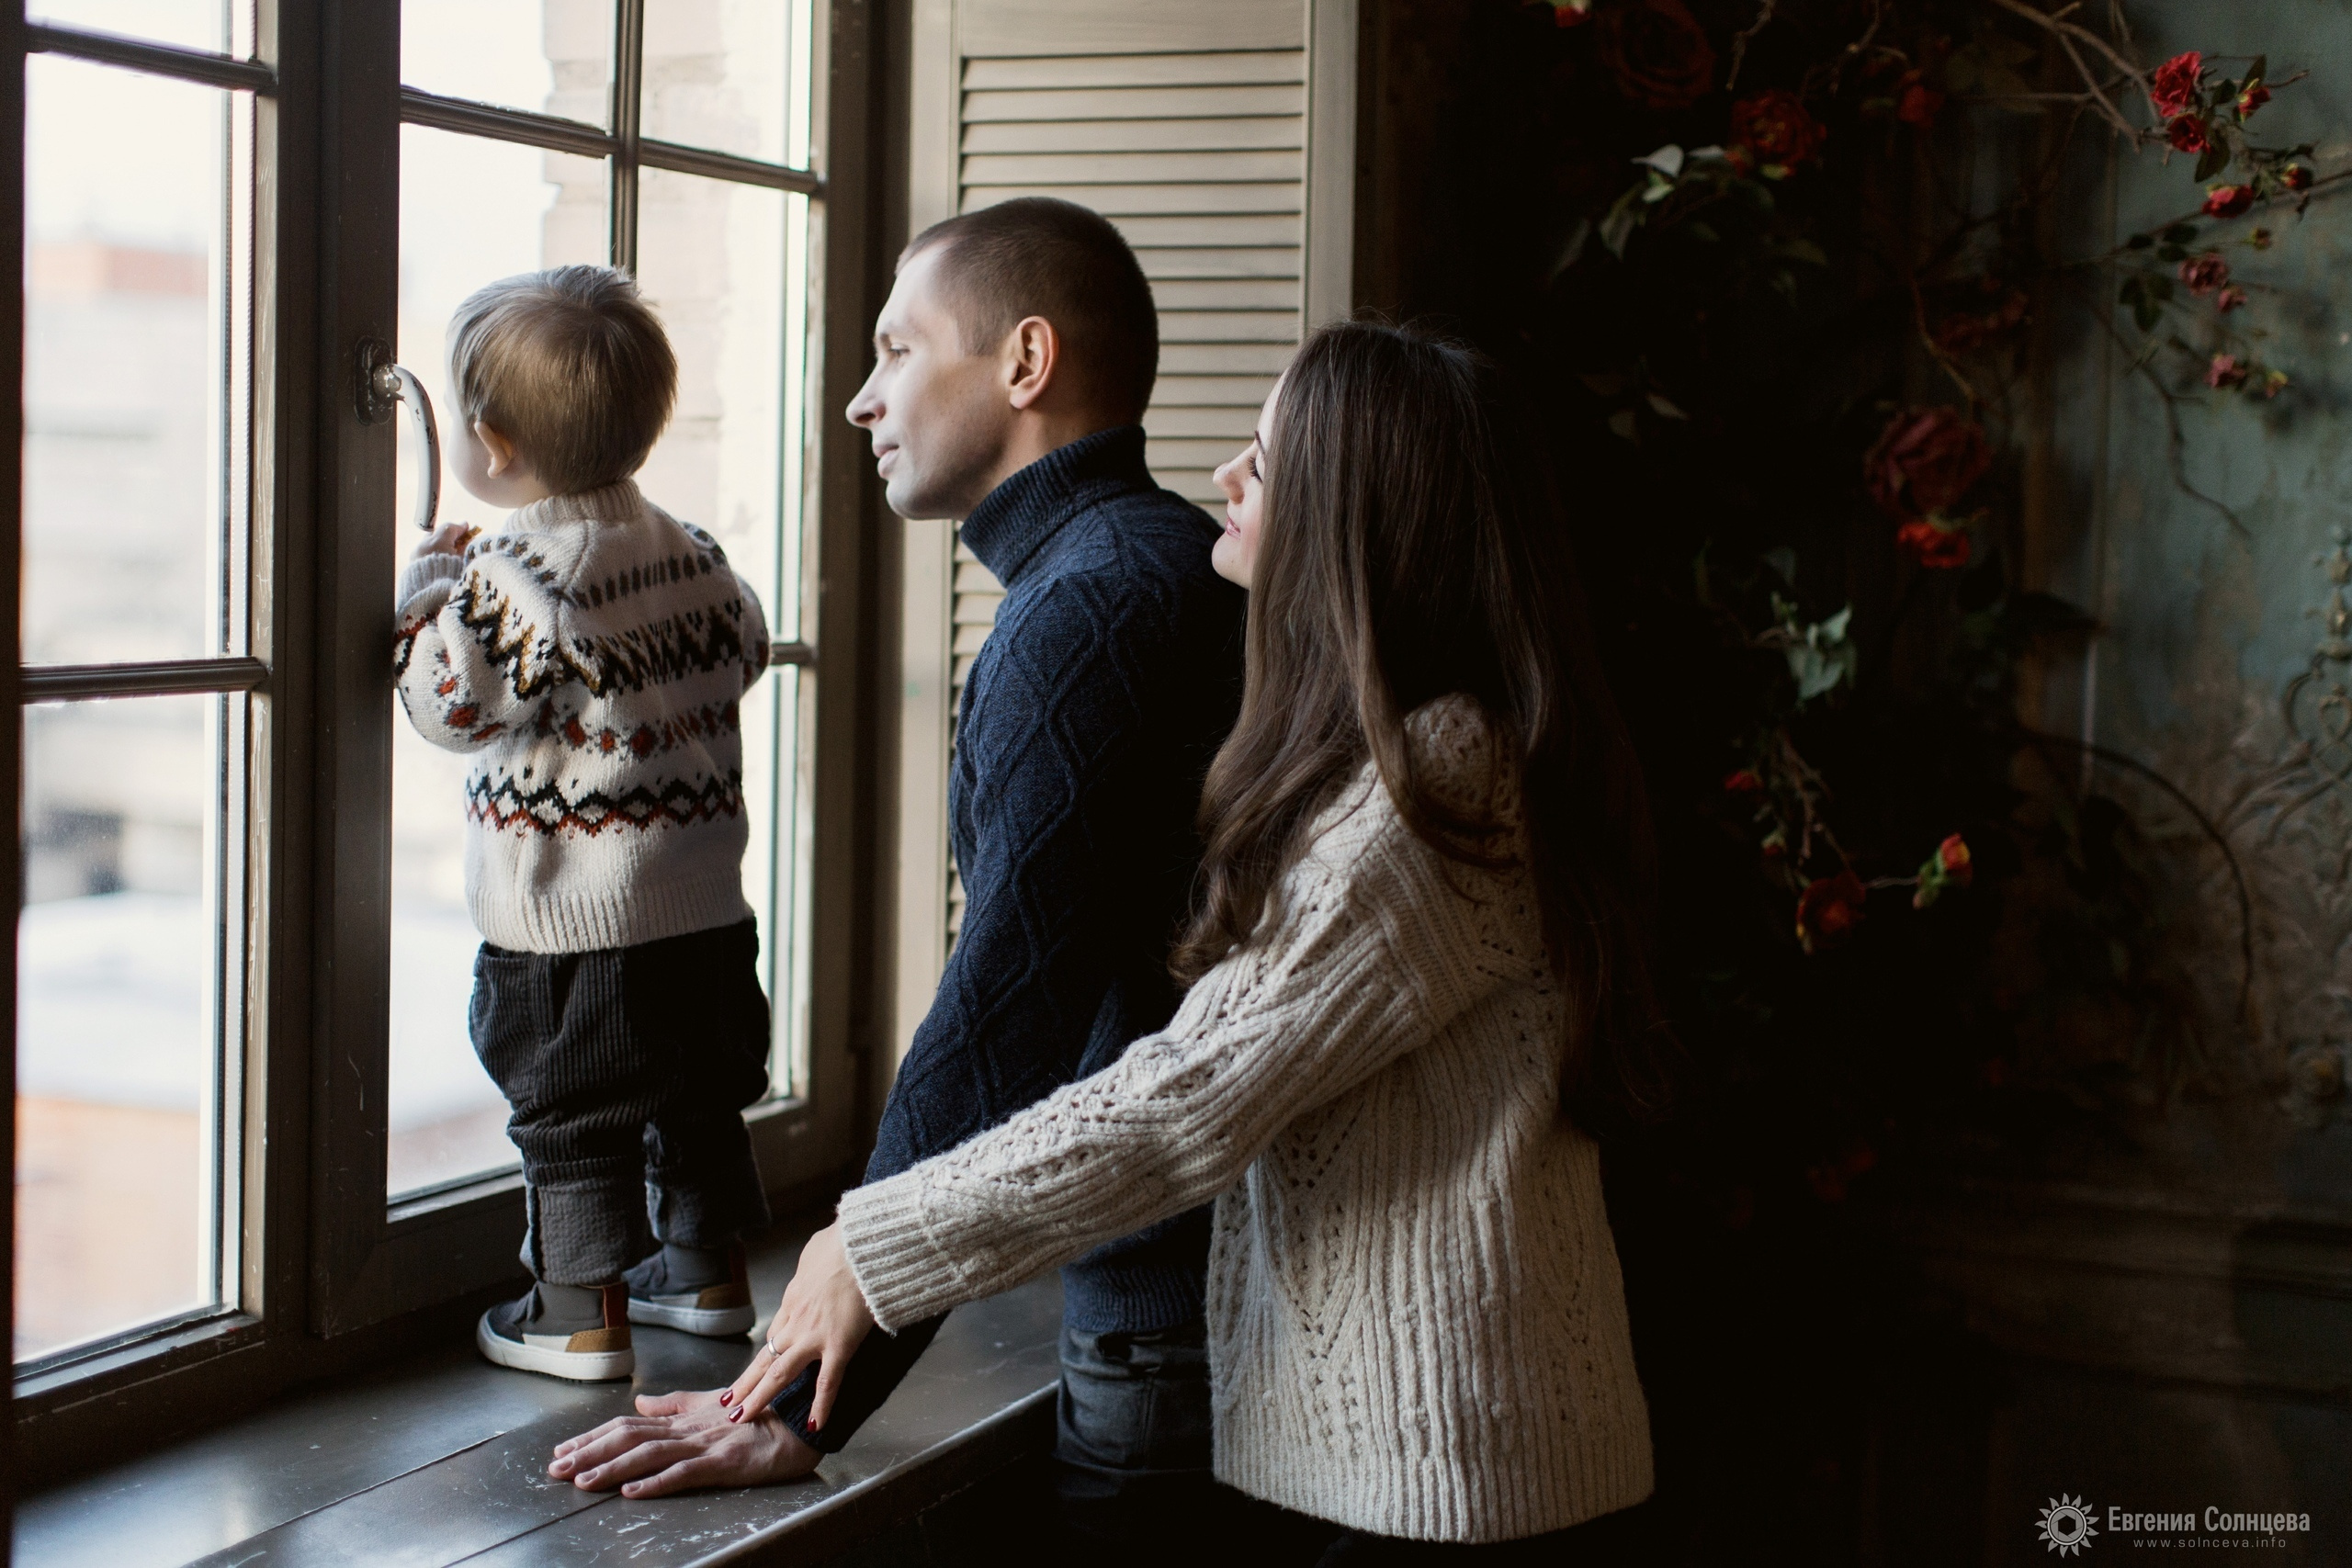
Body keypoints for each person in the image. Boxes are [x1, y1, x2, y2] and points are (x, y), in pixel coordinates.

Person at [717, 320, 1676, 1558]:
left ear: (1353, 520)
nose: (1223, 476)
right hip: (1442, 1465)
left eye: (1267, 465)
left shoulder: (1437, 781)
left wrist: (876, 1240)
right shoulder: (1433, 752)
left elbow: (1192, 1094)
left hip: (1454, 1488)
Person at [547, 198, 1250, 1540]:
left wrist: (813, 1390)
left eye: (896, 352)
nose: (863, 402)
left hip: (1168, 1328)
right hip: (1180, 1304)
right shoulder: (1145, 565)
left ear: (1025, 365)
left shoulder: (1092, 602)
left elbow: (1006, 1017)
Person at [394, 265, 775, 1382]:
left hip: (572, 922)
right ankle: (704, 1276)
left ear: (489, 442)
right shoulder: (697, 553)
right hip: (705, 909)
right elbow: (743, 651)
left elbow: (448, 707)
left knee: (573, 1112)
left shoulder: (516, 574)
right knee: (699, 1095)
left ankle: (573, 1309)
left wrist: (426, 600)